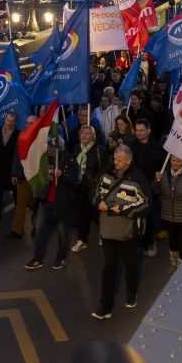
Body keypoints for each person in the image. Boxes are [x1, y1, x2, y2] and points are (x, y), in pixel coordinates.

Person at [91, 144, 149, 320]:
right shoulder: (106, 174)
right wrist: (97, 202)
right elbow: (95, 192)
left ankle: (131, 293)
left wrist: (123, 209)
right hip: (107, 232)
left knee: (130, 266)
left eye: (120, 160)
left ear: (129, 161)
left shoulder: (138, 178)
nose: (116, 163)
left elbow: (145, 204)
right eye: (115, 159)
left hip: (127, 233)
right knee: (108, 269)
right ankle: (105, 306)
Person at [25, 144, 75, 271]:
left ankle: (61, 258)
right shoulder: (42, 160)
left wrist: (62, 174)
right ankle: (37, 258)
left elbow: (75, 179)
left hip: (62, 204)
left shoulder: (68, 158)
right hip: (46, 201)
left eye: (51, 146)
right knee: (40, 231)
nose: (49, 149)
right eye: (46, 147)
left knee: (62, 233)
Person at [69, 124, 107, 253]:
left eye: (87, 133)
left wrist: (98, 183)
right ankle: (82, 240)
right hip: (78, 188)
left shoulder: (99, 150)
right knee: (81, 215)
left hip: (94, 189)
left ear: (93, 136)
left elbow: (105, 169)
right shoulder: (76, 148)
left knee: (97, 214)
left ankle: (104, 234)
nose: (84, 136)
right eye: (82, 133)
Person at [130, 118, 164, 257]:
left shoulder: (157, 146)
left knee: (149, 217)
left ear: (148, 131)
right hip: (135, 187)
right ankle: (139, 243)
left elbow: (163, 165)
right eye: (137, 130)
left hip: (151, 188)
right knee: (136, 216)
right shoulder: (131, 146)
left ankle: (150, 242)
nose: (139, 133)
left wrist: (160, 174)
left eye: (141, 130)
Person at [9, 115, 38, 240]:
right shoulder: (21, 136)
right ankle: (17, 230)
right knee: (20, 205)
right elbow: (16, 156)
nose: (28, 125)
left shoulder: (41, 138)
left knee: (35, 205)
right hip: (22, 177)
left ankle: (35, 227)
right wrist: (14, 173)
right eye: (27, 123)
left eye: (31, 123)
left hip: (36, 179)